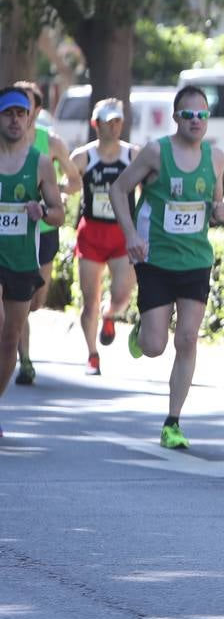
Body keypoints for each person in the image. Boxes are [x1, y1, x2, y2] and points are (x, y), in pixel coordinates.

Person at [111, 86, 224, 449]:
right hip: (156, 260)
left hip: (195, 261)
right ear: (176, 117)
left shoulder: (217, 157)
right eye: (189, 115)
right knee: (154, 345)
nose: (196, 121)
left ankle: (172, 422)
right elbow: (118, 189)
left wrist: (221, 212)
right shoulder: (155, 152)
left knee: (188, 338)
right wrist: (130, 234)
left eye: (203, 115)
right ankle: (143, 329)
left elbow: (216, 203)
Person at [0, 87, 65, 434]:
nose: (15, 119)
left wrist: (42, 210)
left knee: (10, 340)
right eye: (8, 113)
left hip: (22, 260)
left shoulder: (39, 162)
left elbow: (59, 214)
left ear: (29, 120)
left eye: (20, 114)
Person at [12, 81, 79, 386]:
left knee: (36, 302)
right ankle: (23, 358)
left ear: (36, 112)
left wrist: (58, 192)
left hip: (44, 230)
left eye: (24, 108)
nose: (17, 116)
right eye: (11, 109)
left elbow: (74, 180)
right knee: (17, 304)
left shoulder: (49, 143)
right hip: (11, 237)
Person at [70, 99, 138, 377]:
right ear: (94, 123)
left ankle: (109, 315)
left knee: (121, 297)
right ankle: (92, 356)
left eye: (117, 121)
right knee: (90, 300)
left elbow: (151, 187)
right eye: (107, 121)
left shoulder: (134, 155)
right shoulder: (82, 157)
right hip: (92, 233)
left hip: (122, 233)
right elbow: (68, 185)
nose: (113, 127)